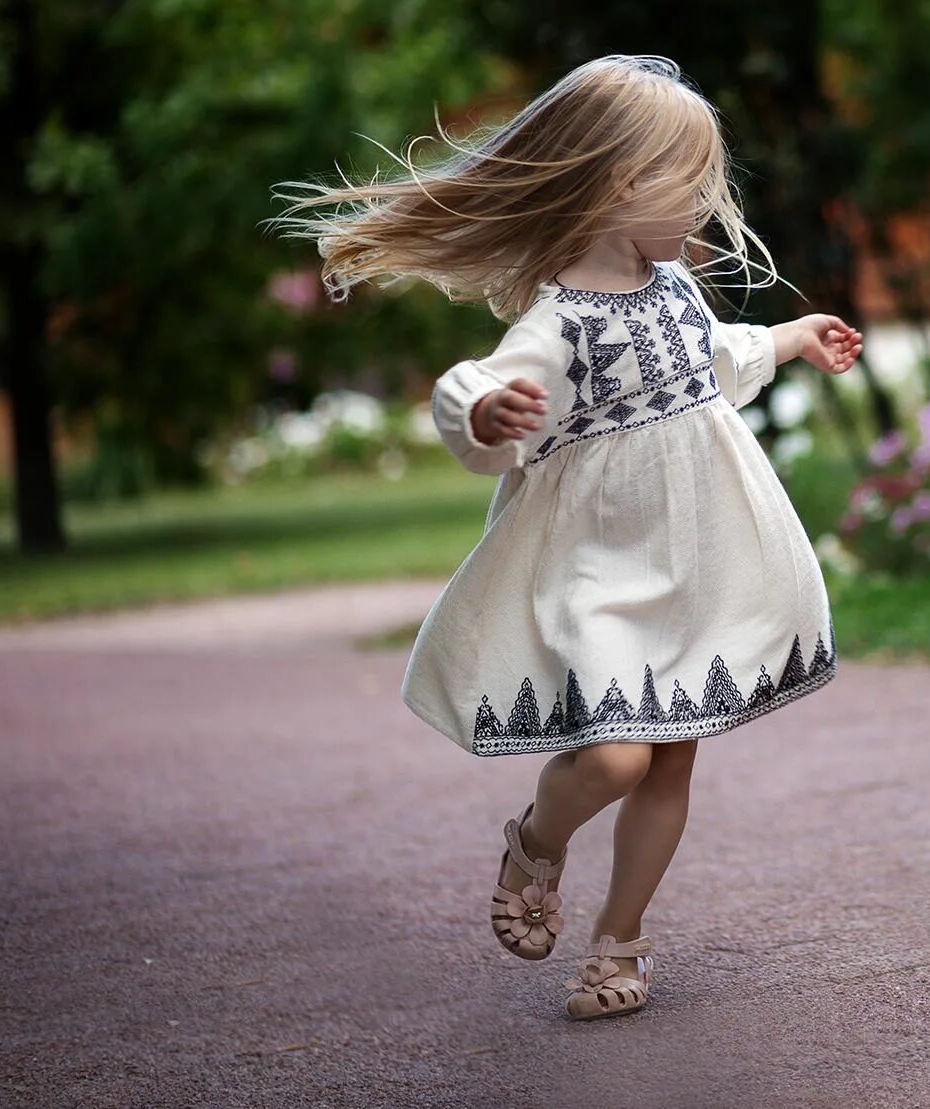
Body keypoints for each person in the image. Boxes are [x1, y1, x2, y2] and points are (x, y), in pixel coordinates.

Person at [273, 53, 863, 1020]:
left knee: (674, 751)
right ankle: (538, 841)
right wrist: (484, 412)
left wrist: (792, 337)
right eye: (692, 188)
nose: (706, 213)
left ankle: (620, 936)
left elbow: (711, 359)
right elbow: (476, 381)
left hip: (694, 558)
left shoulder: (670, 285)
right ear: (620, 184)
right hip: (601, 565)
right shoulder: (559, 320)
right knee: (619, 753)